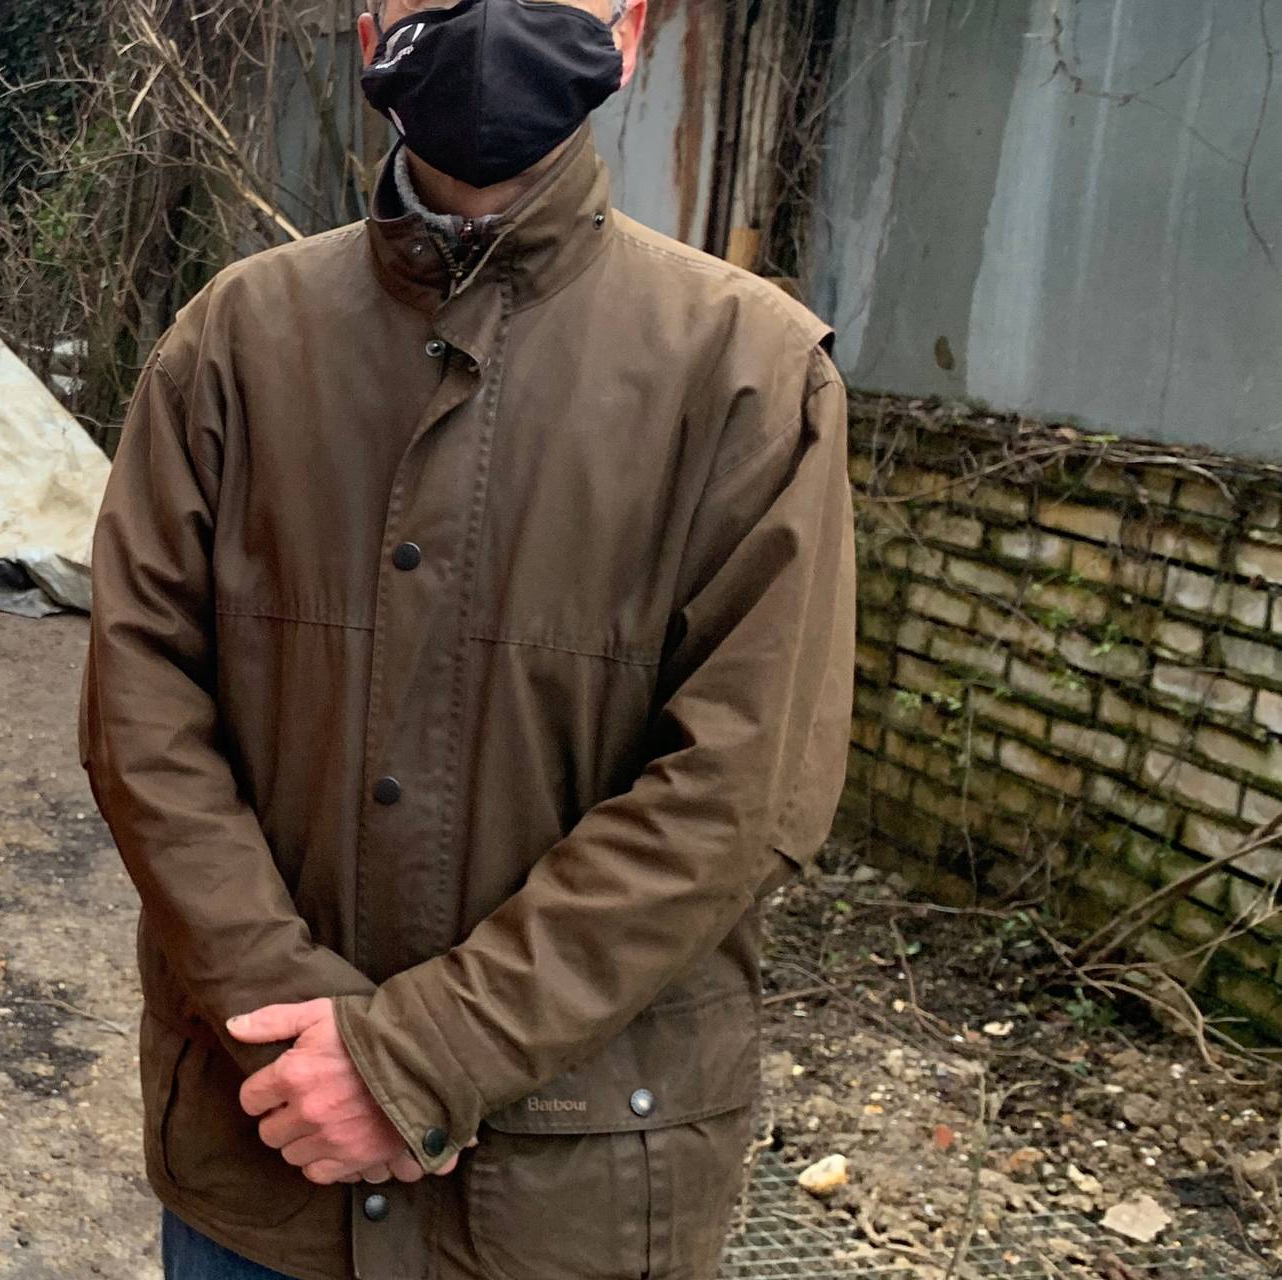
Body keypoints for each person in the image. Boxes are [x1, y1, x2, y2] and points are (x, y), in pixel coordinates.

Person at [81, 0, 854, 1277]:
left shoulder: (750, 376)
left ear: (634, 23)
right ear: (365, 18)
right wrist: (296, 1029)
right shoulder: (230, 341)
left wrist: (416, 1058)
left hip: (578, 1191)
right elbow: (137, 710)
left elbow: (740, 786)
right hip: (264, 1170)